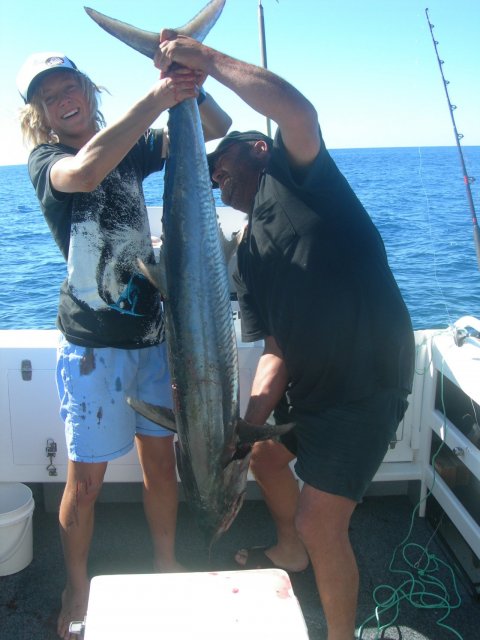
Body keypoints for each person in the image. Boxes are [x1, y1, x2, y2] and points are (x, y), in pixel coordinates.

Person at [154, 32, 415, 640]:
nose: (217, 181)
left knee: (324, 521)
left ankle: (339, 633)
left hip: (366, 383)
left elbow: (299, 113)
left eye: (223, 168)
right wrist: (243, 429)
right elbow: (274, 350)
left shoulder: (302, 178)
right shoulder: (244, 259)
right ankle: (291, 551)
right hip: (311, 389)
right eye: (210, 178)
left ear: (257, 149)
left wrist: (205, 61)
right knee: (267, 455)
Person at [16, 51, 231, 640]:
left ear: (87, 88)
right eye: (48, 97)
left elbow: (217, 131)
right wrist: (157, 99)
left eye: (69, 86)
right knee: (84, 484)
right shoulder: (47, 161)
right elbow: (86, 173)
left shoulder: (135, 145)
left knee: (162, 469)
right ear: (40, 114)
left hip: (157, 341)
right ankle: (76, 587)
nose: (62, 99)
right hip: (93, 350)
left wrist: (191, 85)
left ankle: (164, 563)